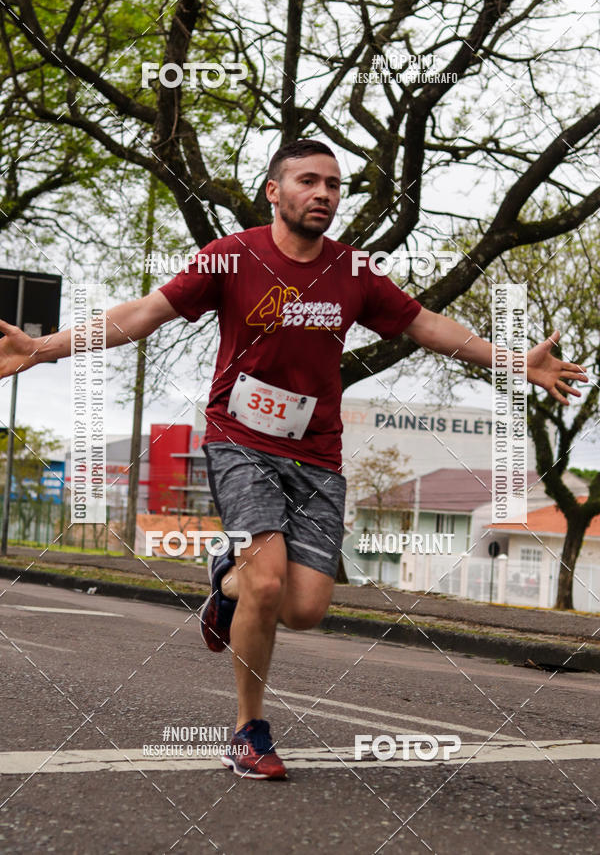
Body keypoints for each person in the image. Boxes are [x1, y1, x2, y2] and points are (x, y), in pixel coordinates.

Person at [0, 139, 588, 781]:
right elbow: (142, 315)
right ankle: (249, 729)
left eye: (334, 185)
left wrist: (510, 358)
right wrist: (41, 350)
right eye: (308, 181)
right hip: (239, 440)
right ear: (274, 192)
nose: (324, 194)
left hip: (317, 455)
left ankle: (225, 585)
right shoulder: (231, 256)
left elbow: (425, 325)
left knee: (305, 608)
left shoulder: (355, 270)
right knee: (271, 580)